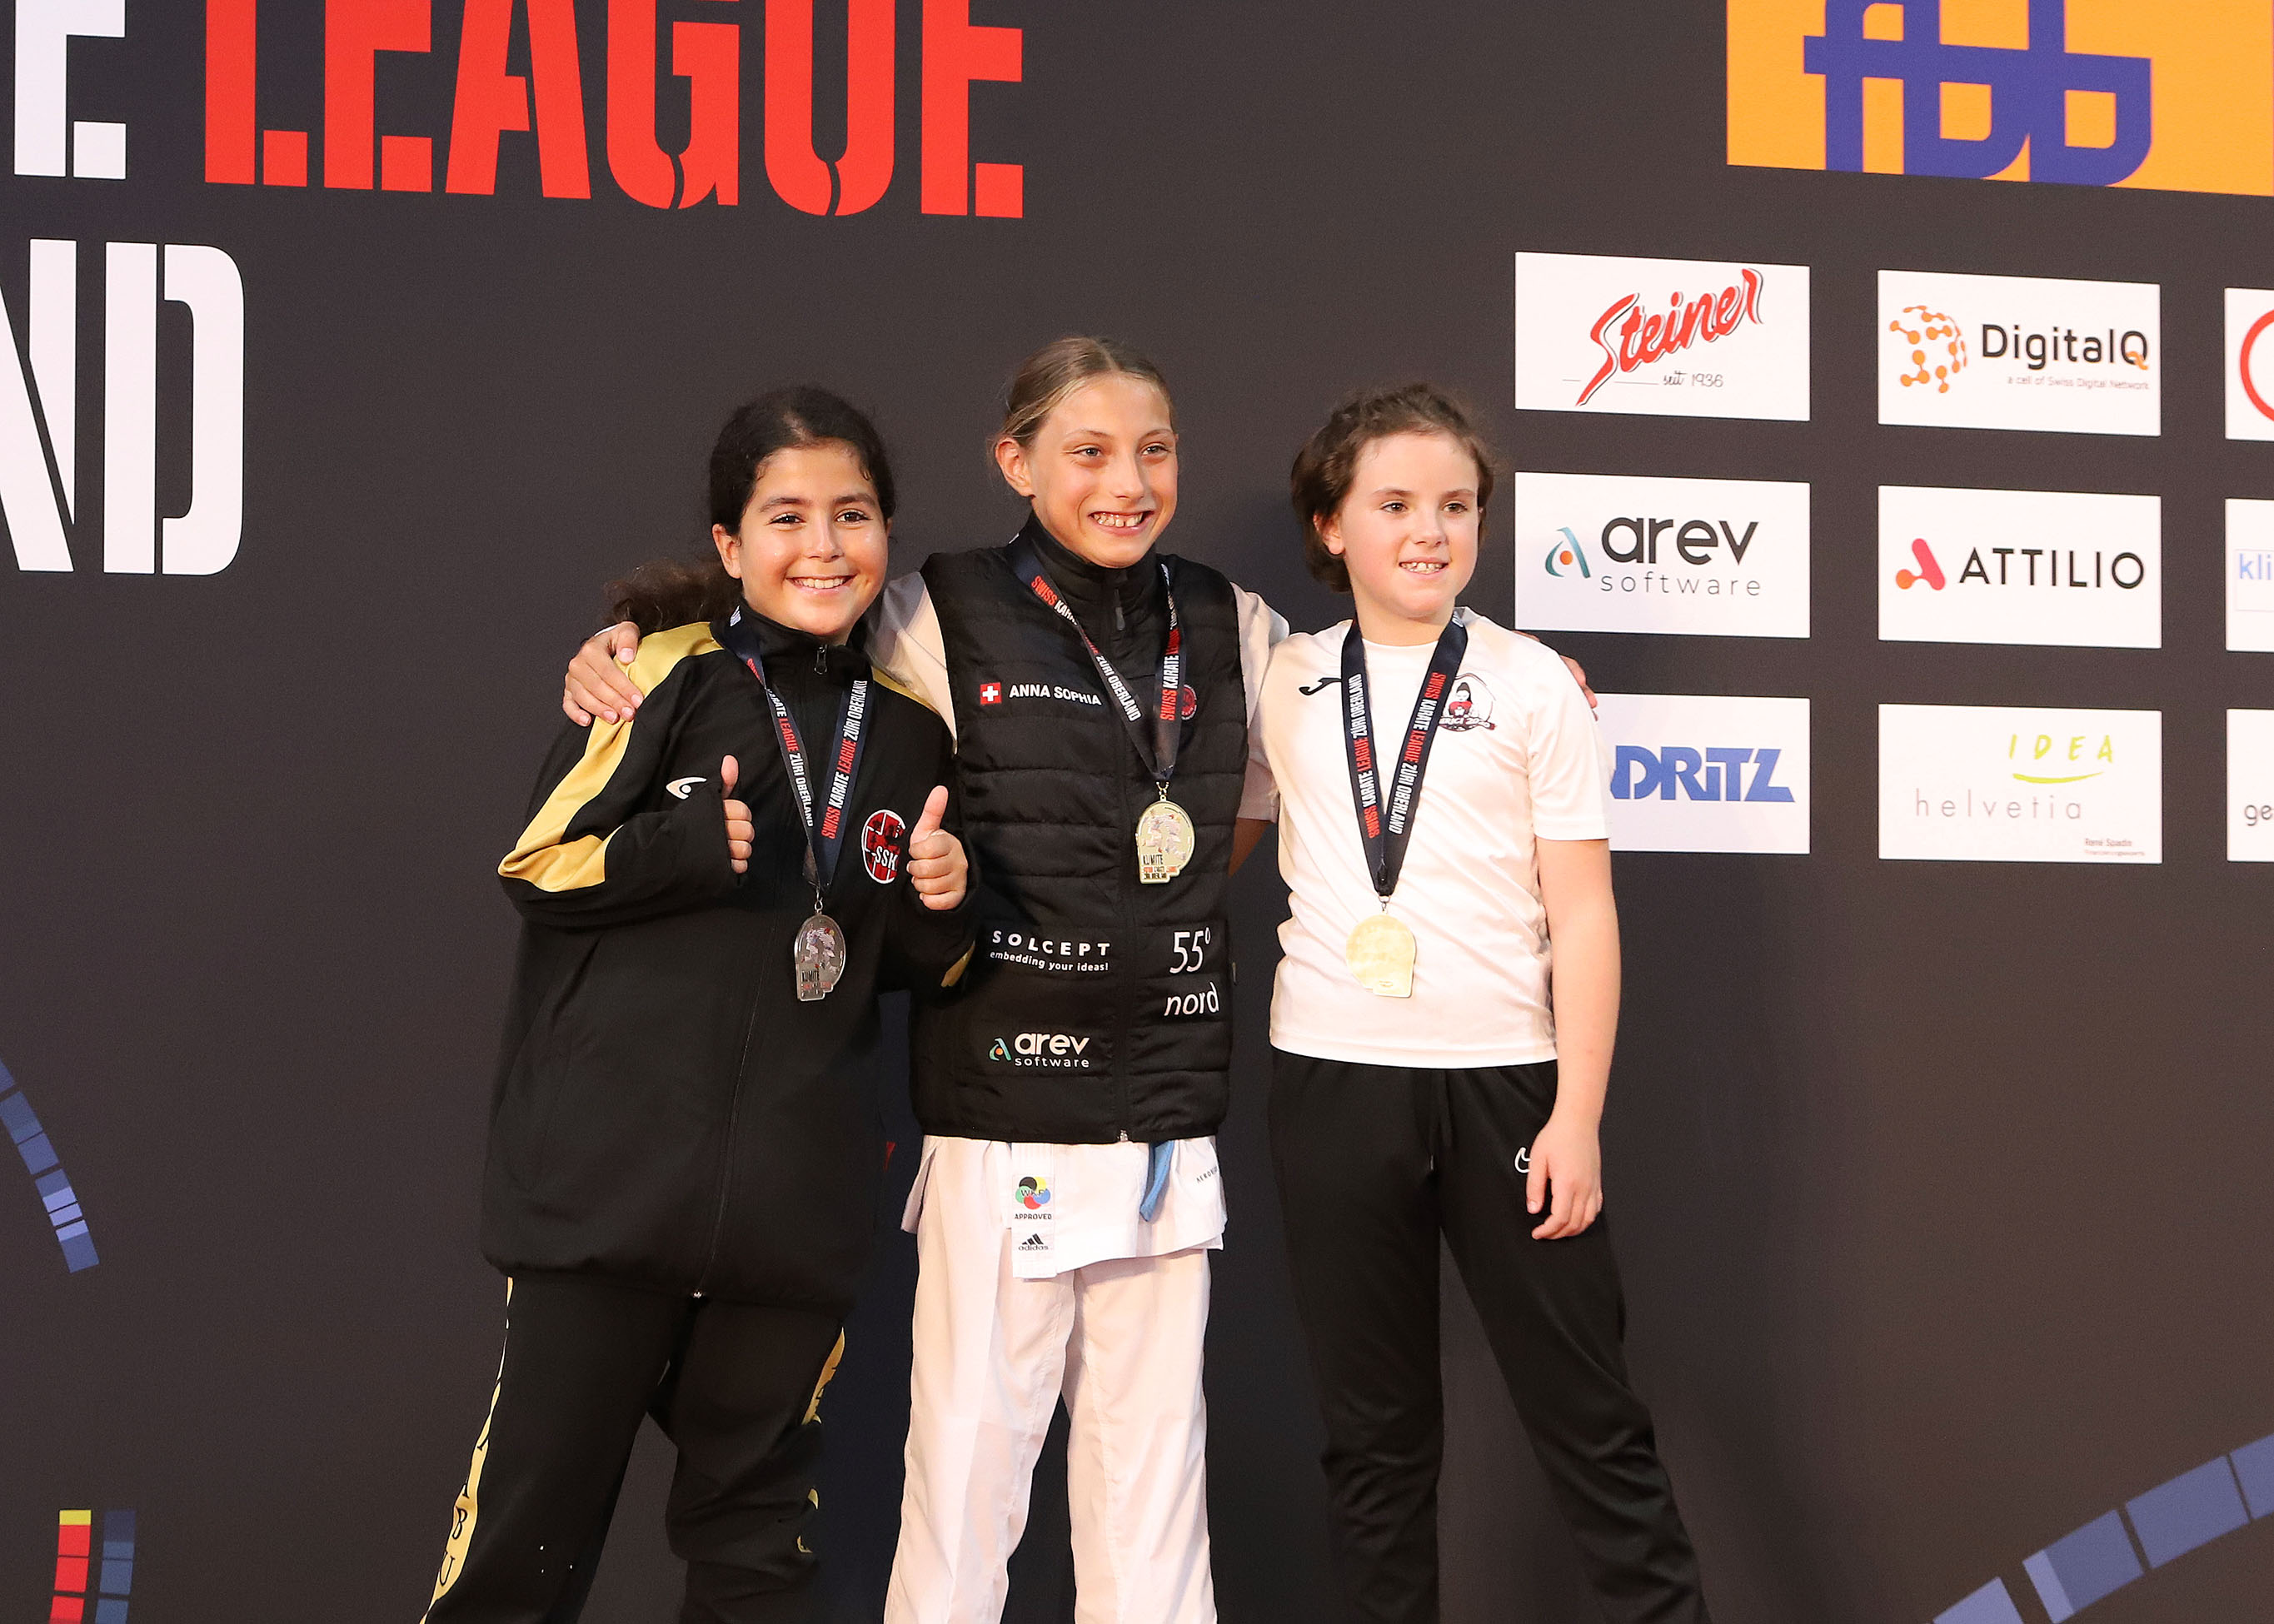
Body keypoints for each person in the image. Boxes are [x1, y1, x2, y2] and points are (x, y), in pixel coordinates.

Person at [564, 337, 1284, 1624]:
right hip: (999, 1108)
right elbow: (783, 620)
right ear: (1015, 461)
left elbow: (1335, 725)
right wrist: (633, 633)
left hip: (1165, 1115)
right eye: (1088, 451)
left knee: (1158, 1496)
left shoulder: (1235, 623)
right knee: (964, 1488)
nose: (1126, 483)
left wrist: (1525, 677)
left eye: (1153, 450)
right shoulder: (933, 609)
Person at [421, 386, 974, 1624]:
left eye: (853, 515)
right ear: (729, 543)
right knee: (525, 1544)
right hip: (606, 1199)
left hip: (791, 1213)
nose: (823, 546)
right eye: (786, 517)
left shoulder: (907, 731)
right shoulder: (656, 674)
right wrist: (675, 848)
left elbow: (905, 959)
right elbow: (535, 863)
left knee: (758, 1554)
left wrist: (944, 902)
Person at [1260, 383, 1709, 1622]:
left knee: (1593, 1427)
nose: (1430, 531)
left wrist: (1577, 1115)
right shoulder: (1282, 676)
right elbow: (1224, 836)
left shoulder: (1534, 683)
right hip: (1331, 1083)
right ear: (1330, 523)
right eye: (1395, 504)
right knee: (1374, 1444)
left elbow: (1585, 913)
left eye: (1456, 506)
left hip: (1509, 1087)